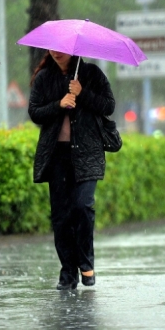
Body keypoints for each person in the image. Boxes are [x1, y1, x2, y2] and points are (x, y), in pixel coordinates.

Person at [28, 50, 115, 290]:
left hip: (87, 153)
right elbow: (34, 112)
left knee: (82, 206)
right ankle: (68, 271)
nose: (56, 52)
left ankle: (86, 263)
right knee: (61, 216)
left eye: (62, 48)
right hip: (56, 155)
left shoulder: (91, 74)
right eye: (52, 48)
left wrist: (82, 93)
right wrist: (59, 104)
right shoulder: (45, 77)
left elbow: (108, 106)